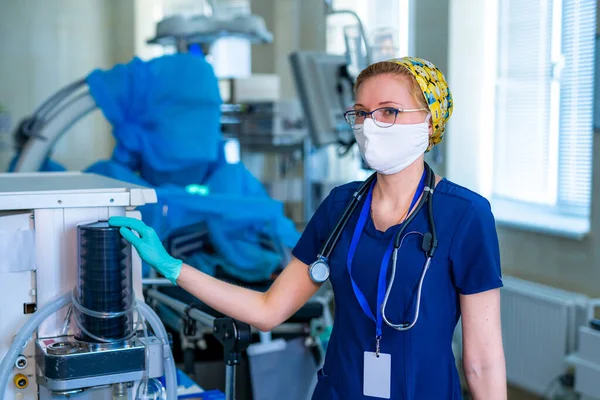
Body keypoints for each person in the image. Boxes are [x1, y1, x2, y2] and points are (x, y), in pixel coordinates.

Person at [109, 56, 507, 399]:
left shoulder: (465, 215)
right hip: (341, 390)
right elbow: (267, 311)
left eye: (388, 111)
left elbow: (483, 362)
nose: (370, 125)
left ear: (429, 119)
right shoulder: (341, 206)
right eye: (361, 112)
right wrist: (173, 267)